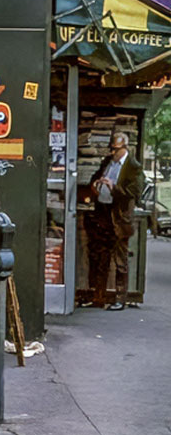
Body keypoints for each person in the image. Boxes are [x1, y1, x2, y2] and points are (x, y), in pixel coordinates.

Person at [84, 132, 144, 311]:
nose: (112, 152)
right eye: (111, 149)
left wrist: (113, 188)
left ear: (124, 147)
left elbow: (134, 192)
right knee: (101, 257)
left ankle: (120, 298)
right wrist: (95, 186)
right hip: (103, 214)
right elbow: (94, 178)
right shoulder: (107, 162)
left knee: (120, 259)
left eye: (115, 149)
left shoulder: (133, 167)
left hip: (119, 218)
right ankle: (98, 296)